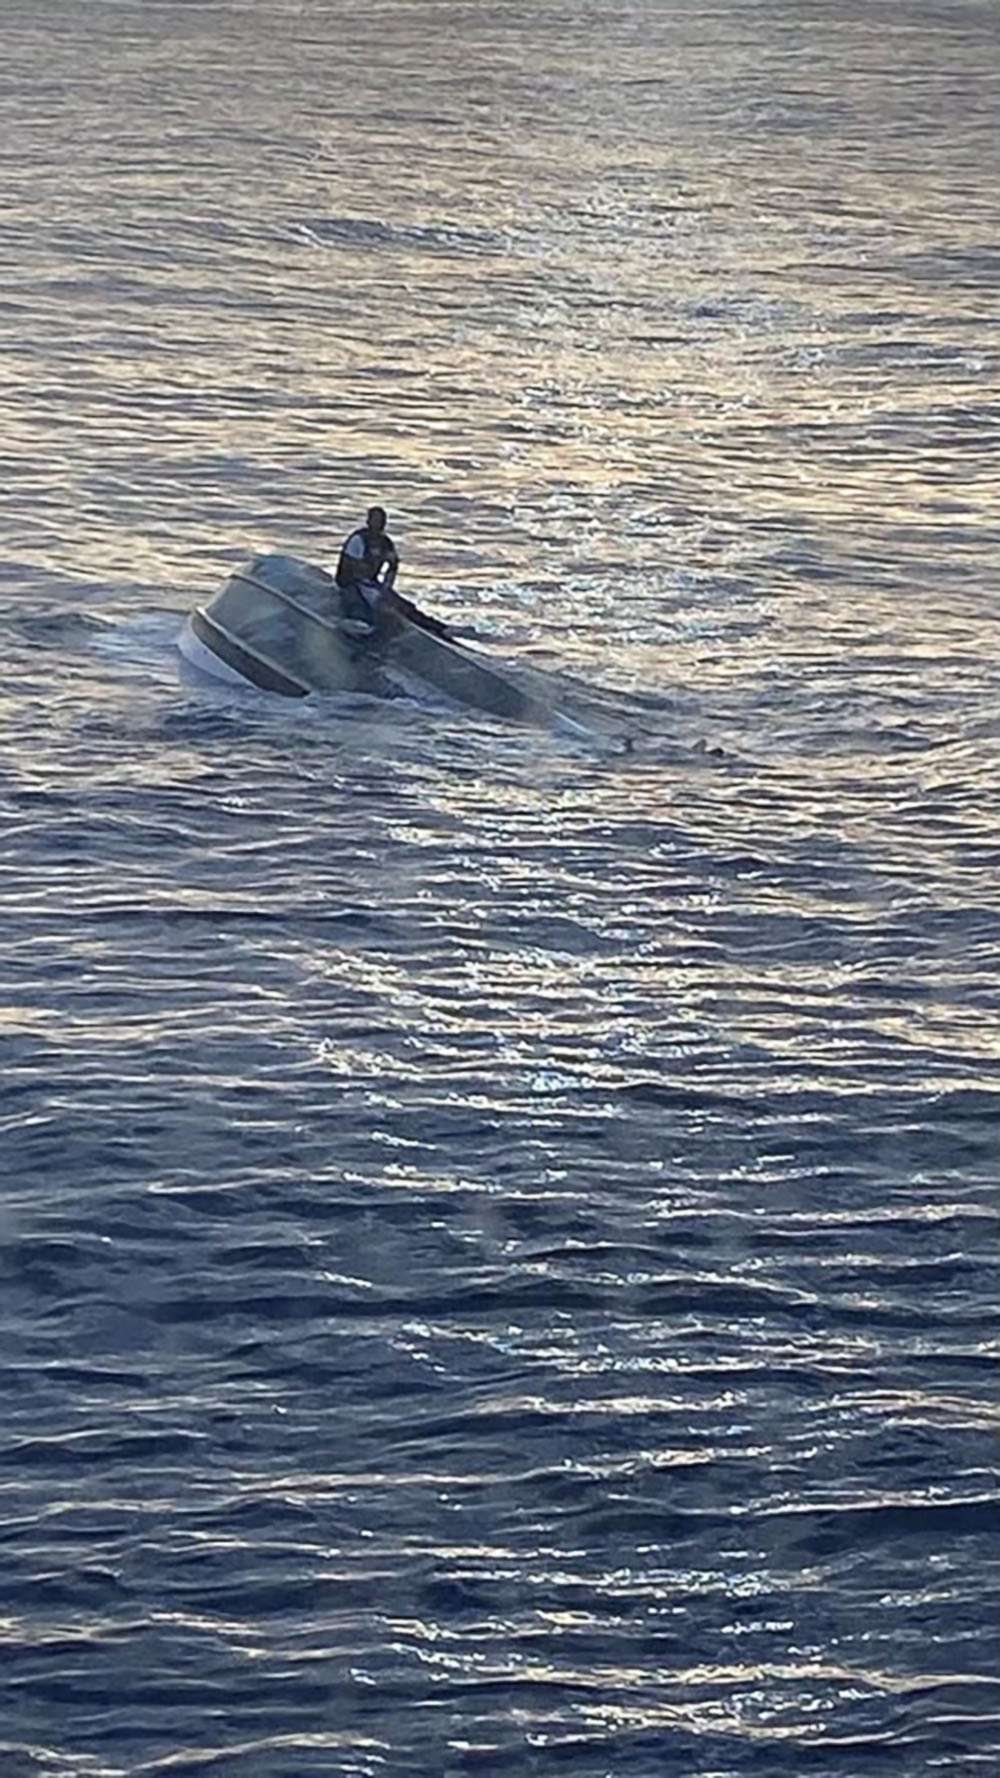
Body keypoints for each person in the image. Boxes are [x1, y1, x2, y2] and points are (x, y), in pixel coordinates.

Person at [335, 506, 451, 641]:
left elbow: (393, 566)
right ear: (368, 522)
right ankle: (358, 625)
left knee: (402, 605)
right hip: (350, 582)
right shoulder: (358, 540)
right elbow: (351, 566)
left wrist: (386, 586)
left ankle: (439, 627)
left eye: (381, 521)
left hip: (371, 583)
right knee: (358, 602)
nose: (379, 525)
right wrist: (371, 588)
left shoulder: (386, 543)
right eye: (375, 521)